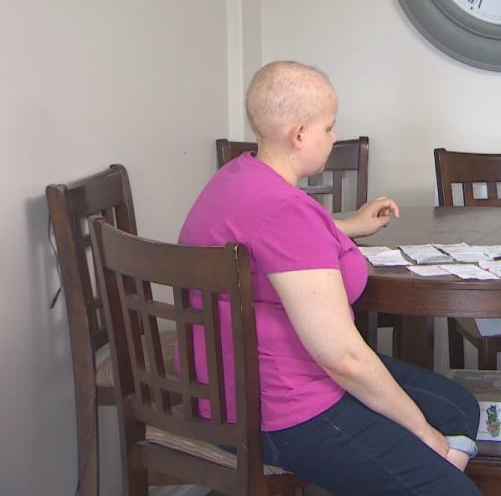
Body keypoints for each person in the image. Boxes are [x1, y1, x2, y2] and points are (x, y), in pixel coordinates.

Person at [179, 60, 481, 495]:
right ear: (300, 134)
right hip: (281, 411)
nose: (333, 138)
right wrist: (426, 438)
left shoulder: (236, 179)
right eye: (329, 127)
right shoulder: (287, 214)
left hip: (225, 390)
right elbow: (342, 358)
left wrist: (344, 226)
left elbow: (271, 244)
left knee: (458, 407)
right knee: (451, 477)